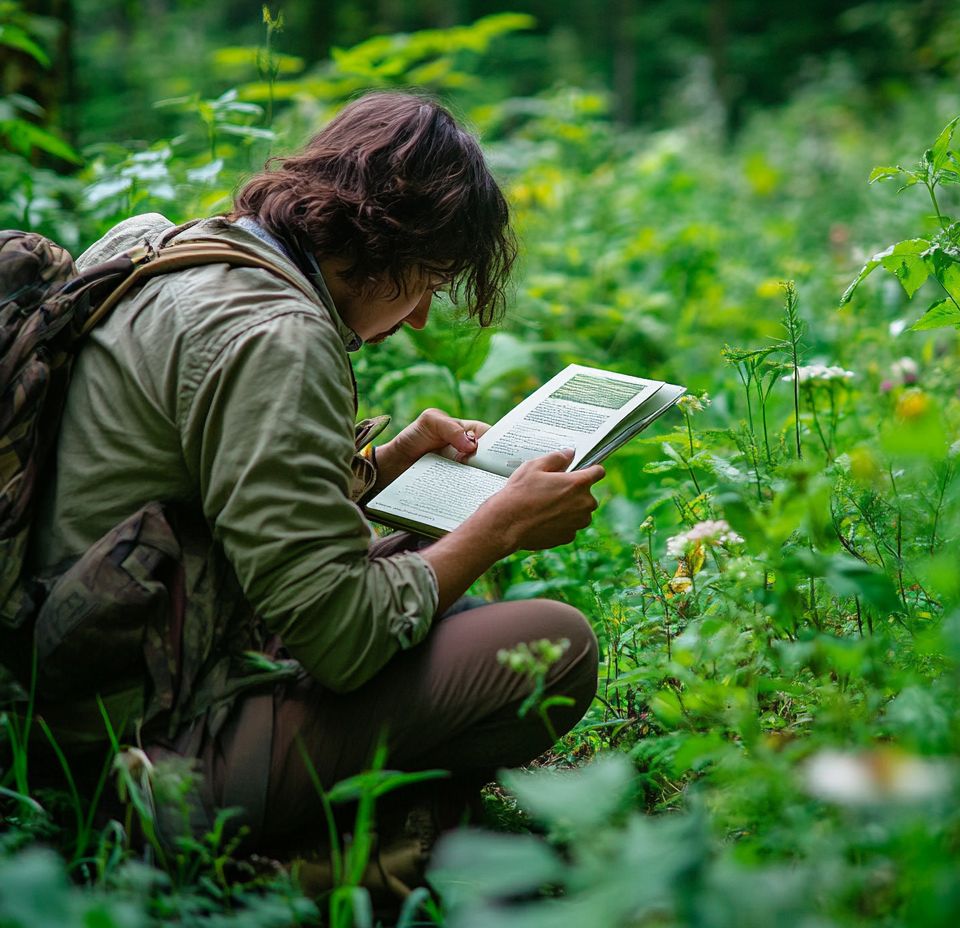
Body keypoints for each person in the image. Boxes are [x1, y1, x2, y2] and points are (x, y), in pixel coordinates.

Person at [27, 91, 604, 879]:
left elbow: (204, 489)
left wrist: (385, 464)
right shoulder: (281, 337)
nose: (425, 314)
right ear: (388, 242)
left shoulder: (182, 250)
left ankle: (359, 821)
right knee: (555, 649)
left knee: (446, 600)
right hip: (128, 735)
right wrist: (497, 527)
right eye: (430, 278)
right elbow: (341, 638)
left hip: (70, 672)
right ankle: (244, 843)